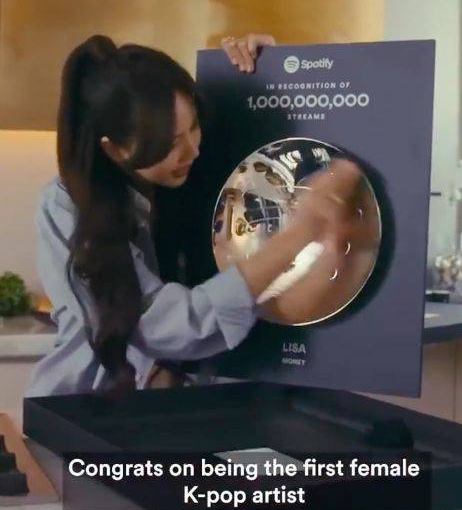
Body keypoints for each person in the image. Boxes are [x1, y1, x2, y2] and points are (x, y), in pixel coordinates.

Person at [26, 34, 362, 397]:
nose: (193, 150)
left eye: (194, 127)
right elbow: (166, 326)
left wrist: (266, 68)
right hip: (85, 406)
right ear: (115, 149)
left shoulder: (193, 175)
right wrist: (301, 232)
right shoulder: (66, 207)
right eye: (171, 144)